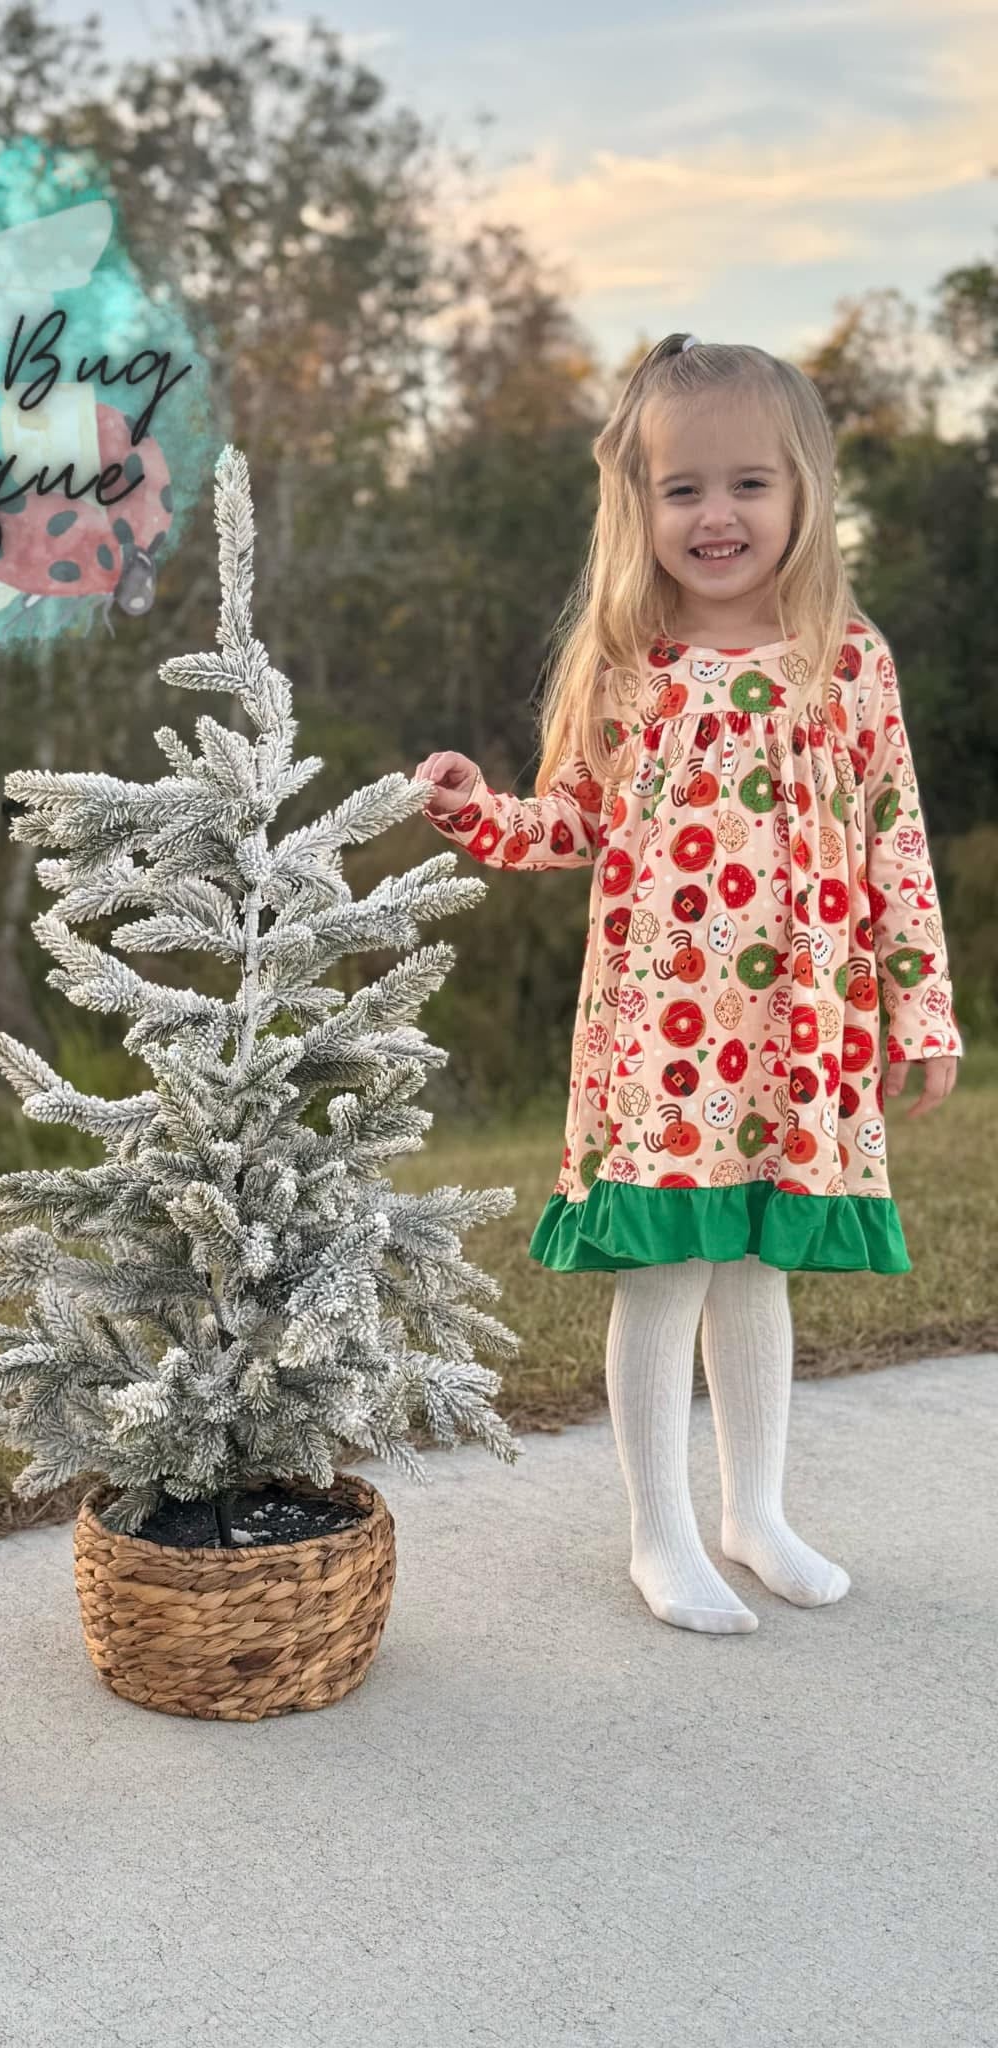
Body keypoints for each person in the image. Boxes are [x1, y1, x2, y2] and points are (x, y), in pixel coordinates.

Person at [413, 333, 961, 1635]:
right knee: (667, 1274)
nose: (717, 515)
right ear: (639, 505)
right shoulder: (629, 660)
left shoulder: (848, 657)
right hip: (663, 1034)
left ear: (803, 490)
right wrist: (475, 813)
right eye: (684, 489)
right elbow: (572, 821)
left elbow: (894, 842)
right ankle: (663, 1535)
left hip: (799, 1029)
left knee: (758, 1268)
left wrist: (919, 1006)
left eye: (748, 485)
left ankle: (753, 1512)